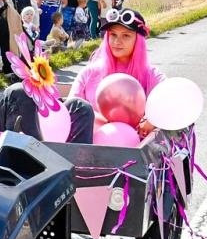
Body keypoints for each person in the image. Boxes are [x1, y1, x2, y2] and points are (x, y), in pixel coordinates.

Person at [70, 9, 166, 143]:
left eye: (126, 35)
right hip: (90, 152)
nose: (117, 41)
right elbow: (72, 108)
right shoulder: (89, 73)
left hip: (137, 155)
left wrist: (153, 119)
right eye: (113, 34)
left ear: (138, 40)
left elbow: (171, 102)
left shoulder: (151, 75)